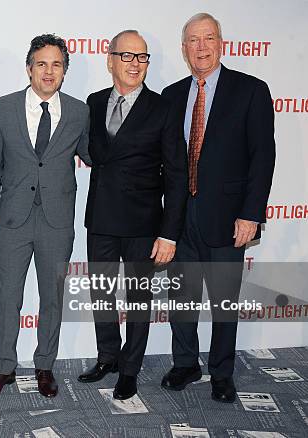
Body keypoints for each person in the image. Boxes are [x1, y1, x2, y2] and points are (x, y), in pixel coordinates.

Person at [160, 13, 275, 403]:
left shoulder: (251, 90)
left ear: (222, 43)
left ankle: (221, 372)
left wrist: (252, 213)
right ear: (184, 48)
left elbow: (263, 157)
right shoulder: (172, 95)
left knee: (224, 303)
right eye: (193, 40)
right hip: (179, 218)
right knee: (181, 299)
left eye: (209, 38)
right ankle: (185, 363)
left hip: (230, 219)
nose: (201, 47)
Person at [0, 34, 91, 399]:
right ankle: (2, 369)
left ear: (64, 72)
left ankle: (45, 366)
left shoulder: (79, 111)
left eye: (56, 64)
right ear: (29, 68)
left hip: (57, 222)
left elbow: (94, 155)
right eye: (41, 63)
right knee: (8, 296)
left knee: (53, 299)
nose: (48, 71)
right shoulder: (3, 107)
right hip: (12, 219)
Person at [78, 30, 187, 400]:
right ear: (110, 60)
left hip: (143, 222)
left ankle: (129, 369)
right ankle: (107, 356)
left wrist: (169, 233)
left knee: (139, 299)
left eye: (142, 57)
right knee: (103, 294)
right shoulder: (92, 103)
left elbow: (176, 173)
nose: (135, 63)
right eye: (127, 56)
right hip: (102, 218)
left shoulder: (163, 108)